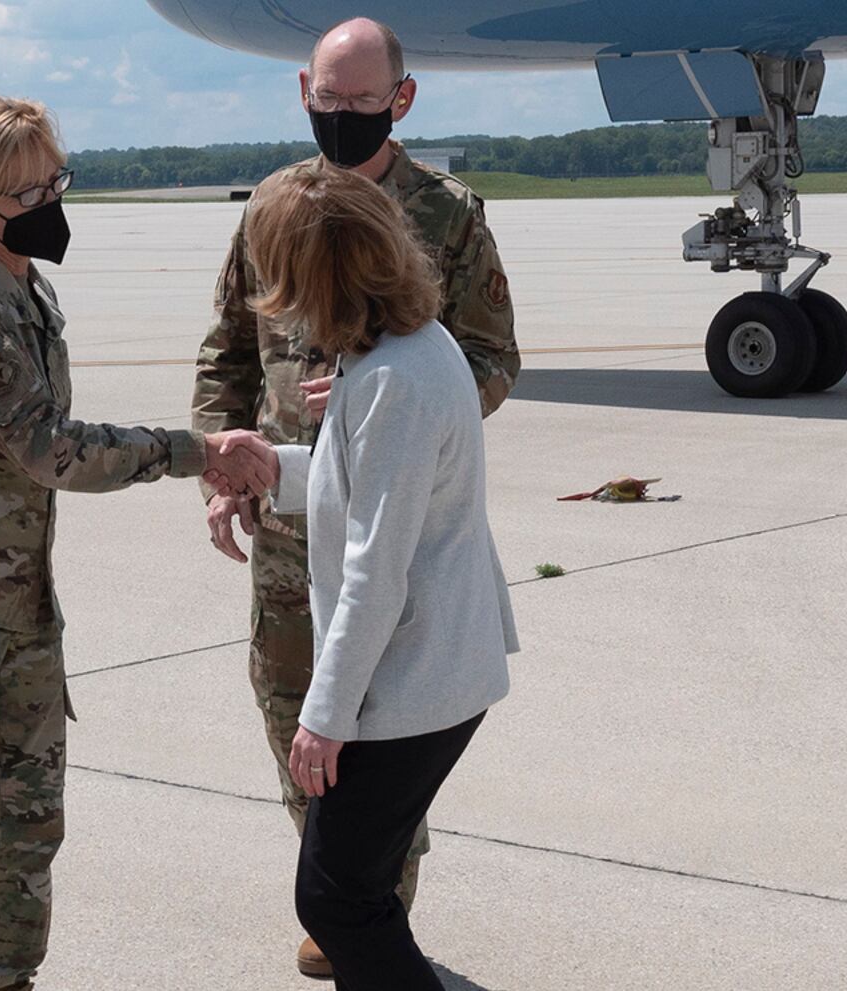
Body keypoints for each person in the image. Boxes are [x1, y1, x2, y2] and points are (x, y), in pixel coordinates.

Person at [0, 95, 275, 991]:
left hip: (21, 606)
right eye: (22, 189)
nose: (45, 200)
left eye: (51, 180)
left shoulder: (28, 289)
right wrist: (198, 452)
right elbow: (49, 449)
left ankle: (6, 977)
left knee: (27, 826)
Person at [189, 15, 521, 978]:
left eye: (361, 103)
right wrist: (227, 464)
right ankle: (347, 887)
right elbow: (229, 347)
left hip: (384, 519)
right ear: (304, 92)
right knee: (292, 711)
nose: (339, 117)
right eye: (326, 101)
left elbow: (490, 360)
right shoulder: (276, 206)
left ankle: (365, 904)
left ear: (401, 101)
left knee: (364, 739)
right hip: (291, 517)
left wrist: (386, 415)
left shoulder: (447, 216)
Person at [243, 164, 519, 991]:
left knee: (336, 898)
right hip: (431, 670)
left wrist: (322, 718)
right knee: (354, 891)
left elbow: (375, 567)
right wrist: (268, 469)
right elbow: (363, 483)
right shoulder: (402, 349)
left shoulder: (395, 379)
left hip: (412, 680)